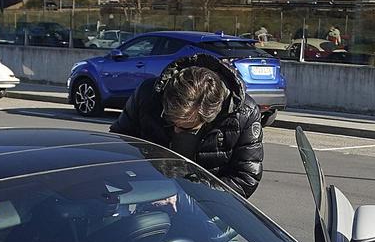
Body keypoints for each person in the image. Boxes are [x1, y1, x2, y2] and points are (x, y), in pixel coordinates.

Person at [109, 52, 264, 197]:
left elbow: (245, 179)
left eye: (186, 128)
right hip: (147, 191)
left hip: (206, 203)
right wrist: (149, 188)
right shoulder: (147, 95)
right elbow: (118, 147)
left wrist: (189, 193)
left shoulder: (245, 113)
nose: (176, 130)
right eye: (169, 120)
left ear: (211, 117)